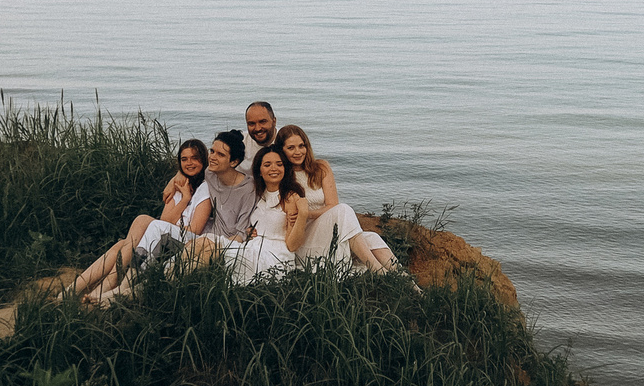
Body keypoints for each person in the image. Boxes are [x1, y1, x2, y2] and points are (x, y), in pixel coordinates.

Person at [65, 138, 210, 301]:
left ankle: (108, 283)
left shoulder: (206, 187)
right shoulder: (179, 184)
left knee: (141, 222)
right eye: (184, 159)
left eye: (195, 158)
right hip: (163, 237)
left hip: (188, 244)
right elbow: (164, 220)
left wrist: (187, 197)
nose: (189, 163)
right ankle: (72, 289)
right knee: (122, 245)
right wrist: (184, 198)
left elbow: (195, 230)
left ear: (203, 160)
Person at [276, 124, 402, 273]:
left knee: (372, 238)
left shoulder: (321, 167)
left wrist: (307, 213)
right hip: (305, 238)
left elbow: (332, 204)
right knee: (343, 210)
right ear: (281, 150)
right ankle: (377, 270)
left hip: (327, 226)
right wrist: (304, 217)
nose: (298, 152)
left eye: (301, 146)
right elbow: (334, 209)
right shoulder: (282, 176)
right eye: (291, 148)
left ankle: (408, 282)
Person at [218, 143, 305, 283]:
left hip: (275, 257)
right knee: (204, 243)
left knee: (212, 247)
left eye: (279, 164)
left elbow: (293, 245)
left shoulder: (290, 197)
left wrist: (303, 214)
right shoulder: (259, 193)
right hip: (254, 247)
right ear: (259, 170)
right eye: (267, 164)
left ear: (285, 168)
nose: (274, 168)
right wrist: (249, 232)